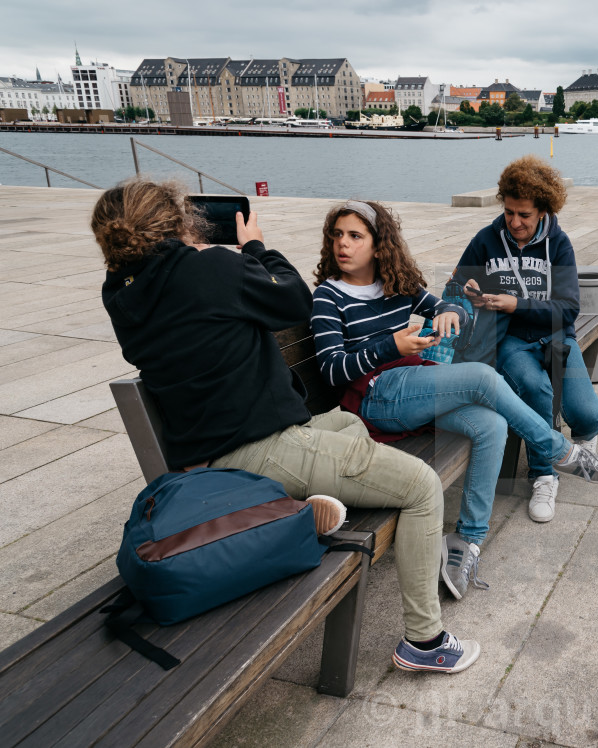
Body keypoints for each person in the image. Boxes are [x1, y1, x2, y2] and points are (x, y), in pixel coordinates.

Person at [93, 178, 476, 674]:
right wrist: (252, 246)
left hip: (213, 445)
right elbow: (294, 298)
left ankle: (295, 510)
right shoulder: (209, 267)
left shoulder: (118, 292)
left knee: (345, 423)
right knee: (422, 487)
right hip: (261, 445)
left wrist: (200, 253)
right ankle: (425, 641)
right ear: (175, 222)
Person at [309, 200, 598, 598]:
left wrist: (447, 312)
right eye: (337, 235)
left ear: (378, 244)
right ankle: (561, 452)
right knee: (481, 376)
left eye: (355, 236)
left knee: (491, 424)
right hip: (376, 398)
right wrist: (391, 346)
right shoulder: (328, 296)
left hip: (414, 386)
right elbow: (333, 371)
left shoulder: (396, 282)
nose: (343, 244)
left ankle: (467, 543)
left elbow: (441, 302)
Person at [451, 156, 598, 524]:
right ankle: (543, 474)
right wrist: (466, 291)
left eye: (524, 214)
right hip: (510, 341)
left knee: (587, 414)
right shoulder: (487, 239)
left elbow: (568, 309)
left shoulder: (559, 244)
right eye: (509, 212)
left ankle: (583, 440)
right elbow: (456, 285)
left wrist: (515, 304)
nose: (515, 222)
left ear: (543, 211)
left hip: (555, 337)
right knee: (536, 390)